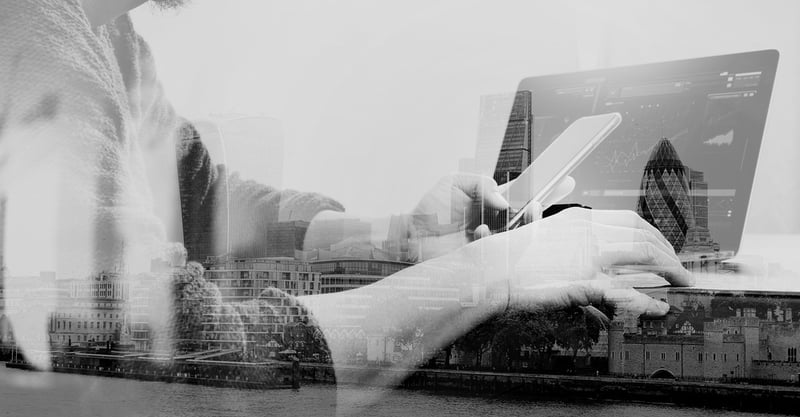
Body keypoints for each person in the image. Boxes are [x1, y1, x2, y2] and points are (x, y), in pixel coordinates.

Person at [0, 0, 692, 393]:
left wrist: (398, 233)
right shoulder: (45, 49)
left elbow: (207, 198)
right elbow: (186, 342)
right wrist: (492, 275)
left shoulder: (111, 38)